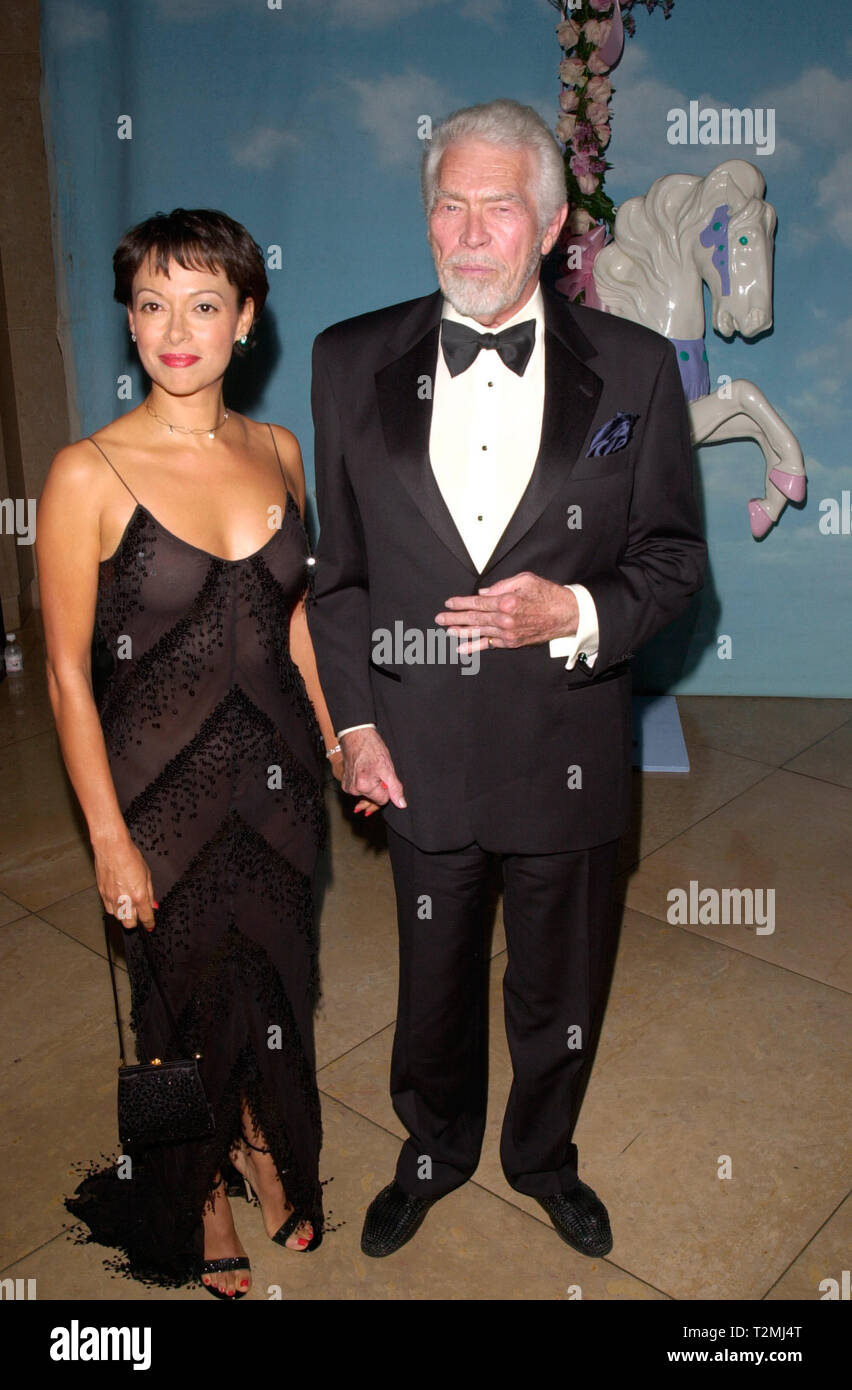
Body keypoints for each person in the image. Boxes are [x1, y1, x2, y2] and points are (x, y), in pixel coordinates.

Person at [307, 99, 707, 1259]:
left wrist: (574, 611)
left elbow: (675, 558)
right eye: (448, 204)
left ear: (549, 223)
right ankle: (433, 1150)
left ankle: (543, 1155)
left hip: (566, 747)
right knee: (432, 981)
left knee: (559, 985)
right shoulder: (349, 359)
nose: (468, 233)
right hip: (416, 749)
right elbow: (340, 580)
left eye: (498, 208)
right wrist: (354, 728)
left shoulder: (632, 368)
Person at [38, 208, 349, 1297]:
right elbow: (68, 675)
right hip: (155, 803)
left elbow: (294, 617)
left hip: (280, 791)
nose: (179, 328)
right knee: (168, 1014)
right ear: (129, 320)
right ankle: (196, 1193)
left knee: (273, 985)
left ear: (246, 321)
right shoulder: (87, 473)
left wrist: (346, 738)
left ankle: (261, 1144)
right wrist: (109, 837)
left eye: (205, 303)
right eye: (153, 303)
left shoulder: (279, 450)